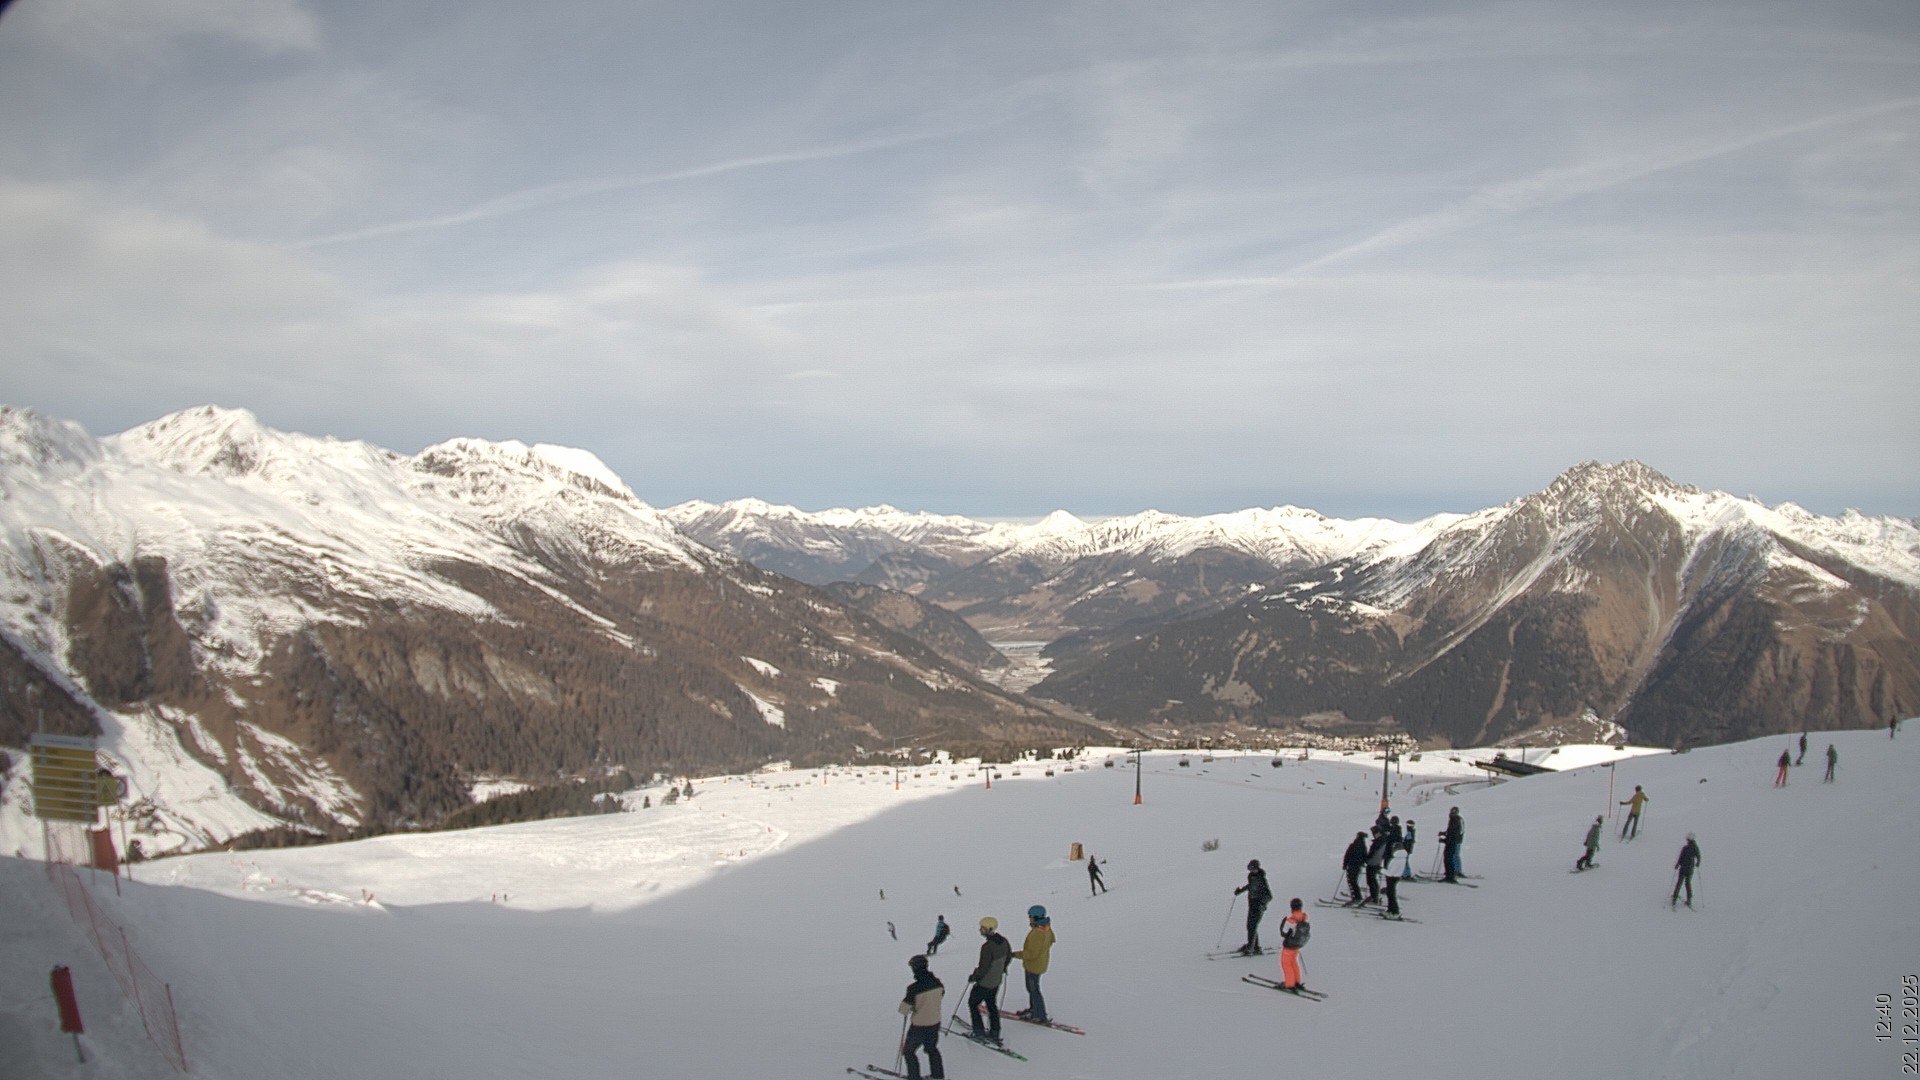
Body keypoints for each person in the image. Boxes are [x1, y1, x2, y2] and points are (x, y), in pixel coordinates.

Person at [898, 955, 946, 1080]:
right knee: (931, 1049)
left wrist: (914, 1006)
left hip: (919, 1026)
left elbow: (903, 1009)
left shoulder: (914, 988)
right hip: (935, 1023)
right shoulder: (938, 983)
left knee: (909, 1051)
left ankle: (914, 1077)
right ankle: (938, 1075)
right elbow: (941, 995)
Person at [966, 917, 1012, 1042]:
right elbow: (1008, 956)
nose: (980, 930)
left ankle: (979, 1031)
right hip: (996, 981)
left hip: (985, 982)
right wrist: (1001, 969)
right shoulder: (1004, 941)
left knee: (973, 1003)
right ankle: (995, 1032)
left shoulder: (987, 947)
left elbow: (983, 967)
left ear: (989, 929)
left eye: (983, 928)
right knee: (991, 1005)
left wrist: (975, 977)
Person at [1012, 905, 1055, 1024]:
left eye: (1030, 917)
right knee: (1032, 988)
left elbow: (1032, 953)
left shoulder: (1037, 933)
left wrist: (1015, 955)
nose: (1029, 919)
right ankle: (1034, 1009)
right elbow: (1051, 940)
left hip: (1034, 966)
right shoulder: (1046, 928)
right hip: (1040, 963)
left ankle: (1040, 1015)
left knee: (1033, 989)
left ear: (1035, 917)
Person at [1234, 860, 1273, 952]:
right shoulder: (1252, 877)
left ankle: (1251, 947)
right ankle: (1254, 945)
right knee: (1250, 925)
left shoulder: (1261, 879)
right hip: (1252, 904)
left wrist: (1261, 903)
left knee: (1253, 925)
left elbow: (1269, 896)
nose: (1252, 871)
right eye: (1251, 869)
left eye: (1253, 869)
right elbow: (1250, 886)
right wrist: (1240, 891)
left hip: (1258, 906)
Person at [1277, 898, 1311, 992]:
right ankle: (1296, 981)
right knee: (1293, 962)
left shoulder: (1291, 920)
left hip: (1289, 945)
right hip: (1297, 945)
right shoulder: (1304, 918)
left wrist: (1283, 923)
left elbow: (1283, 932)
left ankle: (1290, 984)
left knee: (1286, 963)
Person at [1672, 835, 1702, 908]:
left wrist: (1677, 864)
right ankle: (1688, 899)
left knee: (1680, 883)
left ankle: (1675, 898)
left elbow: (1681, 857)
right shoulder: (1694, 848)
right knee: (1687, 883)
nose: (1687, 841)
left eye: (1688, 839)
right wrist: (1698, 863)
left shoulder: (1686, 848)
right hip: (1689, 868)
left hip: (1685, 868)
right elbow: (1698, 856)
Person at [1364, 825, 1391, 903]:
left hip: (1372, 863)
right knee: (1373, 880)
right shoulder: (1383, 840)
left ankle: (1374, 897)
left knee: (1371, 880)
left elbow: (1372, 854)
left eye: (1375, 833)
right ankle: (1375, 895)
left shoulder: (1378, 842)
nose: (1374, 835)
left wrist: (1366, 859)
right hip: (1377, 862)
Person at [1341, 832, 1369, 905]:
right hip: (1358, 866)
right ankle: (1357, 896)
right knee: (1354, 881)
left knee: (1351, 881)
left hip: (1351, 865)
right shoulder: (1363, 846)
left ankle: (1356, 897)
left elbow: (1347, 855)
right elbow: (1365, 857)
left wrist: (1344, 865)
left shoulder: (1353, 845)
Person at [1442, 807, 1465, 882]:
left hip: (1456, 840)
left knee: (1454, 855)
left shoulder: (1456, 819)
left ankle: (1456, 870)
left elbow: (1456, 831)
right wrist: (1445, 834)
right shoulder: (1457, 819)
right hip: (1455, 839)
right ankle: (1455, 870)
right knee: (1454, 855)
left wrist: (1447, 839)